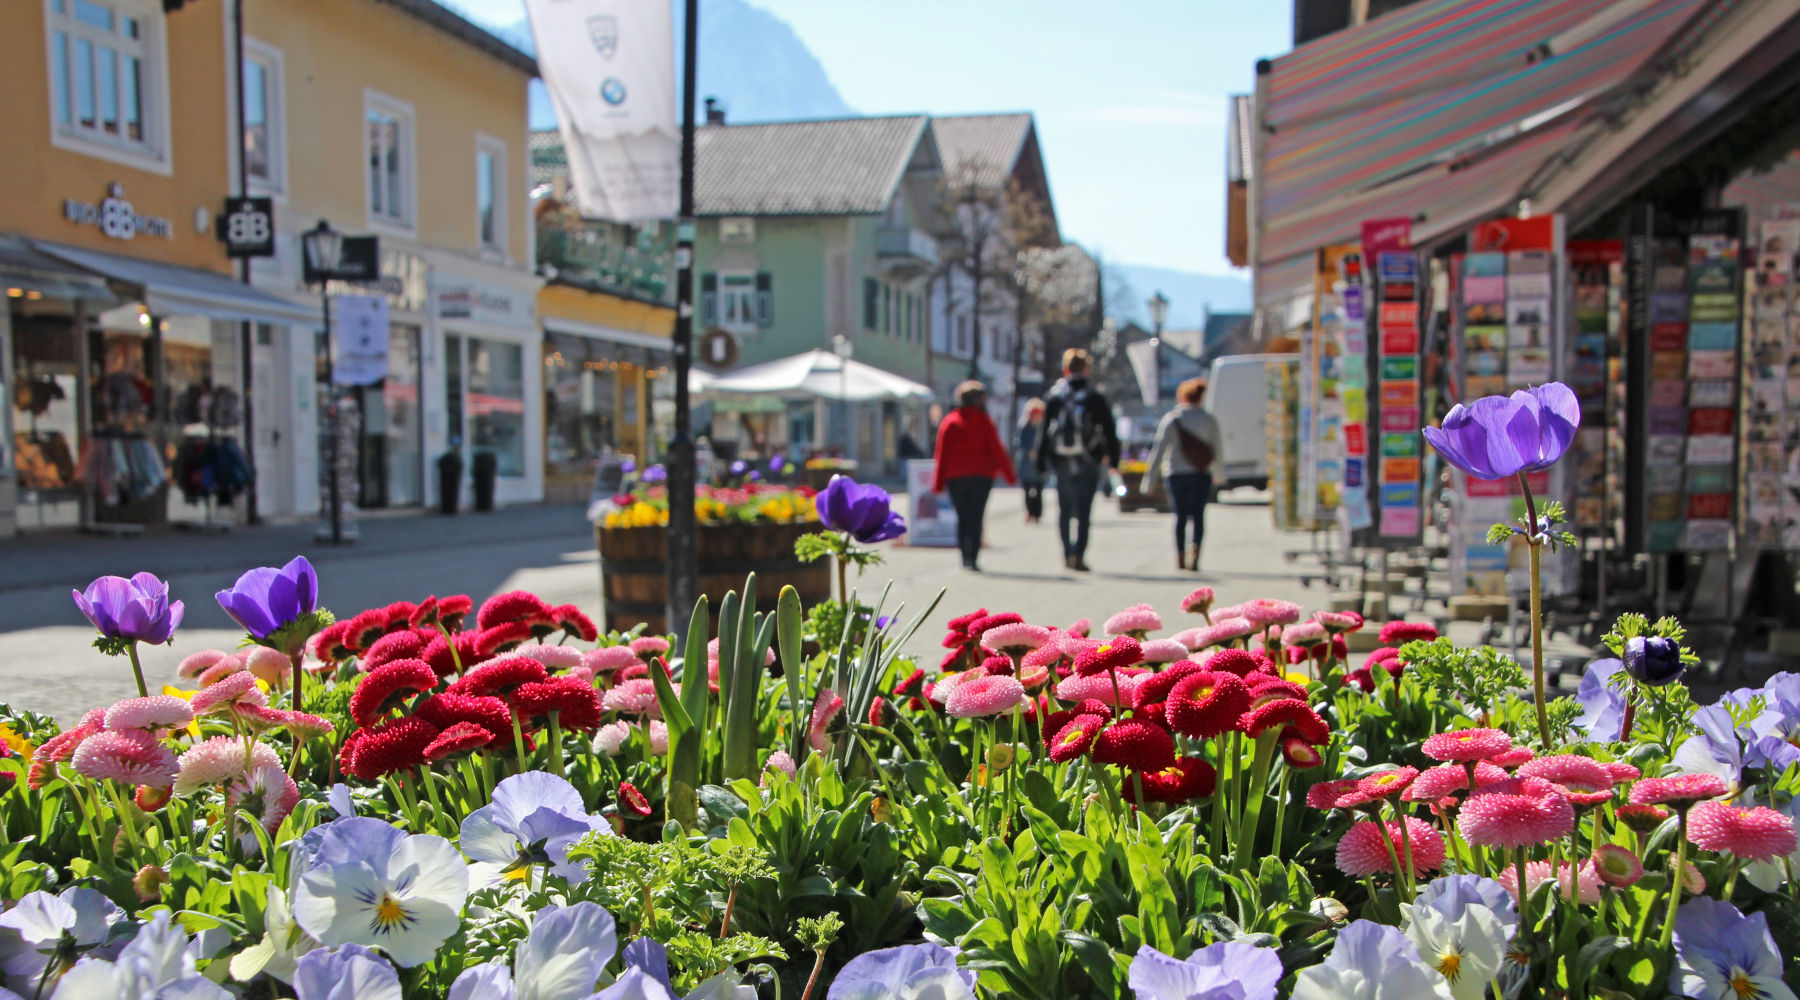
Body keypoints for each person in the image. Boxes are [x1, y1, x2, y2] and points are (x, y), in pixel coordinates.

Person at [1034, 349, 1119, 572]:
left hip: (1062, 461)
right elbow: (1109, 430)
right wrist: (1114, 460)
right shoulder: (1095, 396)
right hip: (1089, 460)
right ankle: (1079, 555)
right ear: (1087, 369)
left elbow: (1044, 431)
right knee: (1084, 511)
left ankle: (1066, 552)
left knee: (1064, 509)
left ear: (1065, 369)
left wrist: (1041, 462)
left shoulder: (1055, 396)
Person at [931, 380, 1017, 571]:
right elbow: (997, 450)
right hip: (981, 477)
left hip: (956, 477)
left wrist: (938, 482)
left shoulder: (950, 421)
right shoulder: (984, 421)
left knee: (962, 517)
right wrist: (1009, 475)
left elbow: (941, 454)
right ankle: (973, 558)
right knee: (976, 516)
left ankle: (965, 556)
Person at [1141, 377, 1223, 572]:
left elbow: (1159, 450)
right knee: (1198, 516)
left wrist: (1149, 480)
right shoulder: (1208, 419)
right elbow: (1217, 449)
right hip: (1200, 474)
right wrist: (1219, 474)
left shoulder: (1172, 419)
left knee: (1180, 516)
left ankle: (1179, 554)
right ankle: (1195, 549)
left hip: (1176, 474)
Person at [1015, 398, 1047, 523]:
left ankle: (1037, 513)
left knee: (1038, 490)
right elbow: (1018, 442)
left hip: (1039, 464)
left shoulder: (1044, 426)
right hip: (1026, 463)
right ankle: (1029, 512)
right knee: (1027, 491)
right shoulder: (1024, 425)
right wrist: (1029, 450)